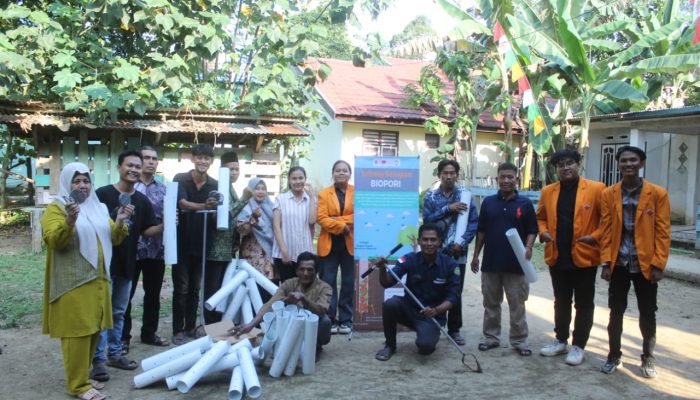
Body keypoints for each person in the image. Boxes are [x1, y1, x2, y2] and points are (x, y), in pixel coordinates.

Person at [41, 163, 131, 400]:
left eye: (86, 181)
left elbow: (114, 237)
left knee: (93, 330)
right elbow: (53, 240)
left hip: (99, 280)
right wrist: (70, 220)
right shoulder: (57, 207)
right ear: (67, 184)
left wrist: (120, 220)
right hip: (73, 283)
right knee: (76, 334)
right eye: (76, 181)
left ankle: (82, 376)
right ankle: (77, 386)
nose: (82, 186)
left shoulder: (99, 208)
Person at [598, 146, 670, 378]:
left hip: (645, 265)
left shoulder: (658, 194)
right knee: (615, 312)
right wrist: (605, 263)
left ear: (641, 163)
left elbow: (663, 232)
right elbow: (606, 230)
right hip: (618, 263)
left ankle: (648, 358)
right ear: (618, 165)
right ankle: (613, 355)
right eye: (624, 161)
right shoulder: (609, 194)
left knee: (647, 313)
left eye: (633, 160)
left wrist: (658, 264)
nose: (628, 164)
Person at [90, 150, 162, 381]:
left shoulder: (142, 201)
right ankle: (98, 360)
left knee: (119, 312)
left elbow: (147, 230)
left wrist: (166, 225)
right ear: (120, 167)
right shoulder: (102, 194)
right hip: (103, 264)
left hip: (127, 263)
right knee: (102, 313)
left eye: (137, 167)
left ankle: (115, 353)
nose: (134, 169)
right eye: (129, 165)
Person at [536, 149, 606, 365]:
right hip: (557, 255)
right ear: (556, 169)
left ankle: (578, 346)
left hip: (585, 256)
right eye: (561, 165)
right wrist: (543, 231)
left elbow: (607, 221)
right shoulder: (548, 191)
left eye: (570, 163)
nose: (565, 168)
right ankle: (560, 340)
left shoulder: (596, 189)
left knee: (584, 303)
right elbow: (540, 217)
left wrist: (594, 237)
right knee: (561, 301)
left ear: (578, 165)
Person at [470, 162, 538, 356]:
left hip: (517, 264)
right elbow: (481, 231)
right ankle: (491, 337)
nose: (506, 180)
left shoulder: (524, 204)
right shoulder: (489, 203)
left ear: (516, 179)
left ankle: (519, 341)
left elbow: (533, 230)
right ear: (497, 179)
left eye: (510, 177)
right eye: (503, 177)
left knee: (517, 305)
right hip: (491, 263)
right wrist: (476, 256)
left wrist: (529, 247)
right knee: (490, 304)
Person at [373, 223, 460, 361]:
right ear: (419, 241)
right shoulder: (409, 259)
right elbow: (387, 283)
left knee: (425, 348)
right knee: (390, 304)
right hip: (410, 310)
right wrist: (383, 268)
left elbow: (453, 297)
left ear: (440, 242)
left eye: (433, 240)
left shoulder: (450, 265)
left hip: (433, 315)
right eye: (425, 239)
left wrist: (436, 310)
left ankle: (425, 334)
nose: (429, 243)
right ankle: (390, 345)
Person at [229, 252, 332, 358]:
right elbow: (270, 304)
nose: (305, 273)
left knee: (325, 321)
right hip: (292, 327)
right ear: (296, 271)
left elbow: (321, 311)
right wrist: (251, 325)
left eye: (310, 270)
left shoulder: (325, 288)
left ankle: (316, 347)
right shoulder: (288, 284)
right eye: (302, 269)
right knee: (277, 312)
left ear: (316, 271)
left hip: (312, 328)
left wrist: (304, 299)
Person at [422, 159, 478, 346]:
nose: (448, 176)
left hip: (457, 254)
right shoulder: (431, 197)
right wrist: (448, 208)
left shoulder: (465, 196)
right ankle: (435, 324)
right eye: (445, 173)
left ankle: (455, 329)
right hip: (435, 253)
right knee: (436, 288)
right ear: (439, 175)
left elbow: (473, 222)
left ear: (457, 175)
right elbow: (428, 220)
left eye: (452, 172)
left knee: (455, 290)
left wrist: (461, 243)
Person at [121, 146, 170, 354]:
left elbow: (170, 217)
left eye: (154, 159)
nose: (151, 162)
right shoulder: (130, 188)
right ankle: (123, 337)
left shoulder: (164, 190)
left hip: (156, 250)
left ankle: (149, 333)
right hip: (131, 250)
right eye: (146, 158)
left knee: (153, 294)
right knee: (126, 294)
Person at [171, 144, 219, 345]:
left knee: (194, 288)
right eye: (199, 157)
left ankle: (191, 327)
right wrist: (203, 206)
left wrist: (214, 210)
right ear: (193, 159)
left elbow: (218, 211)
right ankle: (177, 330)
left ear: (211, 161)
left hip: (202, 243)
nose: (203, 161)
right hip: (181, 243)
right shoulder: (180, 179)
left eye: (207, 158)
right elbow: (181, 203)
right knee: (181, 287)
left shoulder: (214, 184)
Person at [204, 151, 251, 323]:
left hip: (228, 250)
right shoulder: (218, 188)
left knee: (224, 289)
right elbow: (224, 216)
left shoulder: (231, 189)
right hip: (215, 251)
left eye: (237, 169)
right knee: (213, 290)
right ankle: (210, 325)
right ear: (222, 170)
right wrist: (245, 199)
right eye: (230, 169)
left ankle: (218, 324)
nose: (234, 173)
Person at [317, 160, 355, 334]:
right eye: (338, 170)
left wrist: (337, 220)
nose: (341, 173)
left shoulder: (357, 193)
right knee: (328, 282)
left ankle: (346, 319)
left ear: (349, 174)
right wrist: (342, 226)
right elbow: (321, 218)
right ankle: (330, 318)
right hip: (329, 244)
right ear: (332, 173)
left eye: (344, 170)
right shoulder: (324, 194)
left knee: (348, 282)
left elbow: (359, 215)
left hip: (350, 243)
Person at [272, 166, 317, 282]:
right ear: (289, 180)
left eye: (301, 178)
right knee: (288, 290)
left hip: (305, 254)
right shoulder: (280, 199)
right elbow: (276, 227)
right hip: (284, 253)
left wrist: (312, 198)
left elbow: (312, 221)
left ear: (305, 179)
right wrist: (284, 250)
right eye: (294, 179)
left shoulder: (310, 199)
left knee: (305, 290)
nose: (298, 182)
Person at [237, 177, 276, 292]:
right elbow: (242, 231)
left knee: (269, 287)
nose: (260, 191)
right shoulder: (245, 207)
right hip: (252, 254)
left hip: (269, 253)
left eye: (263, 189)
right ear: (251, 191)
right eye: (257, 188)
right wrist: (253, 218)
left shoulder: (272, 206)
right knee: (253, 286)